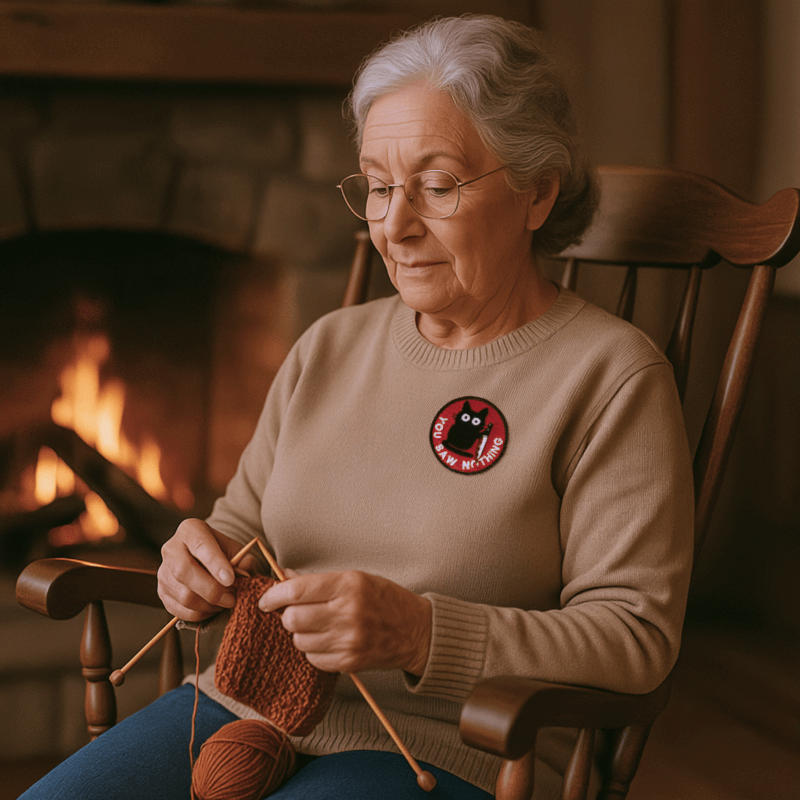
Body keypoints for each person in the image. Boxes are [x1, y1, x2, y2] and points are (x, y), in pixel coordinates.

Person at [21, 14, 693, 800]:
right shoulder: (329, 346)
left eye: (437, 186)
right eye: (378, 187)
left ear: (536, 193)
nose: (396, 226)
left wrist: (421, 632)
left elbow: (633, 639)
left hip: (456, 750)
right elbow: (244, 528)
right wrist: (195, 564)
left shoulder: (610, 376)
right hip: (242, 712)